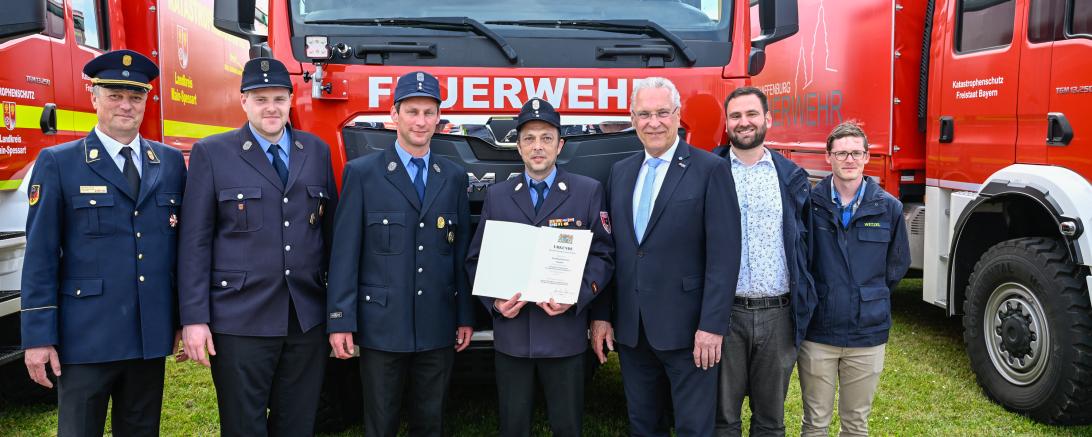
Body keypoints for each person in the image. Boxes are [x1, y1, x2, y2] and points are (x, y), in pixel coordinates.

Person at [20, 49, 188, 436]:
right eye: (114, 95)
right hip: (86, 338)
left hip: (148, 334)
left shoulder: (169, 163)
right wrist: (38, 337)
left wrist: (181, 318)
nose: (126, 106)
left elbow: (178, 250)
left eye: (136, 96)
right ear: (93, 97)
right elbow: (41, 256)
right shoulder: (59, 163)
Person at [177, 57, 339, 436]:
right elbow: (194, 243)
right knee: (243, 424)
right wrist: (194, 319)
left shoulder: (315, 150)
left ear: (290, 100)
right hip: (240, 317)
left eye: (279, 98)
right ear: (244, 102)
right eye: (261, 98)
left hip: (305, 316)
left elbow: (330, 234)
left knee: (297, 423)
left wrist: (338, 312)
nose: (271, 107)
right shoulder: (213, 153)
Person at [590, 77, 742, 436]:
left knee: (693, 427)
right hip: (632, 330)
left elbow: (725, 255)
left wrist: (712, 326)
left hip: (690, 332)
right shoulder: (621, 172)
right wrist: (602, 315)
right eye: (644, 114)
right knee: (643, 425)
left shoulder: (710, 170)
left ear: (678, 115)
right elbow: (611, 251)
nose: (653, 122)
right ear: (632, 118)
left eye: (662, 112)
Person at [326, 71, 474, 437]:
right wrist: (341, 319)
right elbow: (345, 253)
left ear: (439, 117)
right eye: (412, 111)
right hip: (381, 324)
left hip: (436, 322)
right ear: (394, 115)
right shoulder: (362, 174)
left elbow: (459, 256)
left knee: (430, 420)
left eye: (428, 112)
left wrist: (465, 316)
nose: (421, 121)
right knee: (381, 420)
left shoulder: (453, 177)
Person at [466, 98, 614, 437]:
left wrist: (575, 297)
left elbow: (603, 256)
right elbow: (476, 259)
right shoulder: (499, 196)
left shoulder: (587, 192)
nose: (538, 146)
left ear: (560, 145)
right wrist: (494, 303)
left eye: (546, 137)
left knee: (567, 427)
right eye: (529, 138)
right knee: (513, 427)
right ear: (518, 146)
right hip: (513, 339)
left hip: (563, 336)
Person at [711, 87, 814, 437]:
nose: (744, 122)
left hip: (778, 316)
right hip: (725, 315)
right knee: (722, 417)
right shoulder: (709, 171)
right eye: (736, 116)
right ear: (726, 124)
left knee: (770, 420)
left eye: (751, 114)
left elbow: (807, 244)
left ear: (768, 119)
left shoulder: (791, 176)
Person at [799, 121, 910, 436]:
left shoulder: (888, 208)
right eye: (841, 153)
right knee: (814, 423)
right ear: (828, 157)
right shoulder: (811, 204)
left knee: (856, 423)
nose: (849, 159)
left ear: (866, 157)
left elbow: (896, 265)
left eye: (855, 153)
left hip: (867, 334)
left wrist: (867, 296)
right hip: (818, 331)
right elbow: (801, 260)